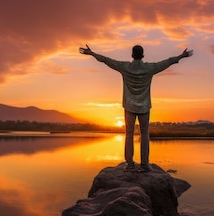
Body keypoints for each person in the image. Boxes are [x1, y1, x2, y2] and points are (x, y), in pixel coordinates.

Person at [79, 44, 193, 172]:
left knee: (129, 134)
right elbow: (167, 62)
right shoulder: (150, 68)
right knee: (145, 134)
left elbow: (107, 60)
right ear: (142, 55)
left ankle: (130, 164)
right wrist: (182, 56)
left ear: (132, 55)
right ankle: (144, 164)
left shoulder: (125, 67)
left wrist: (92, 53)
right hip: (144, 106)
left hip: (129, 106)